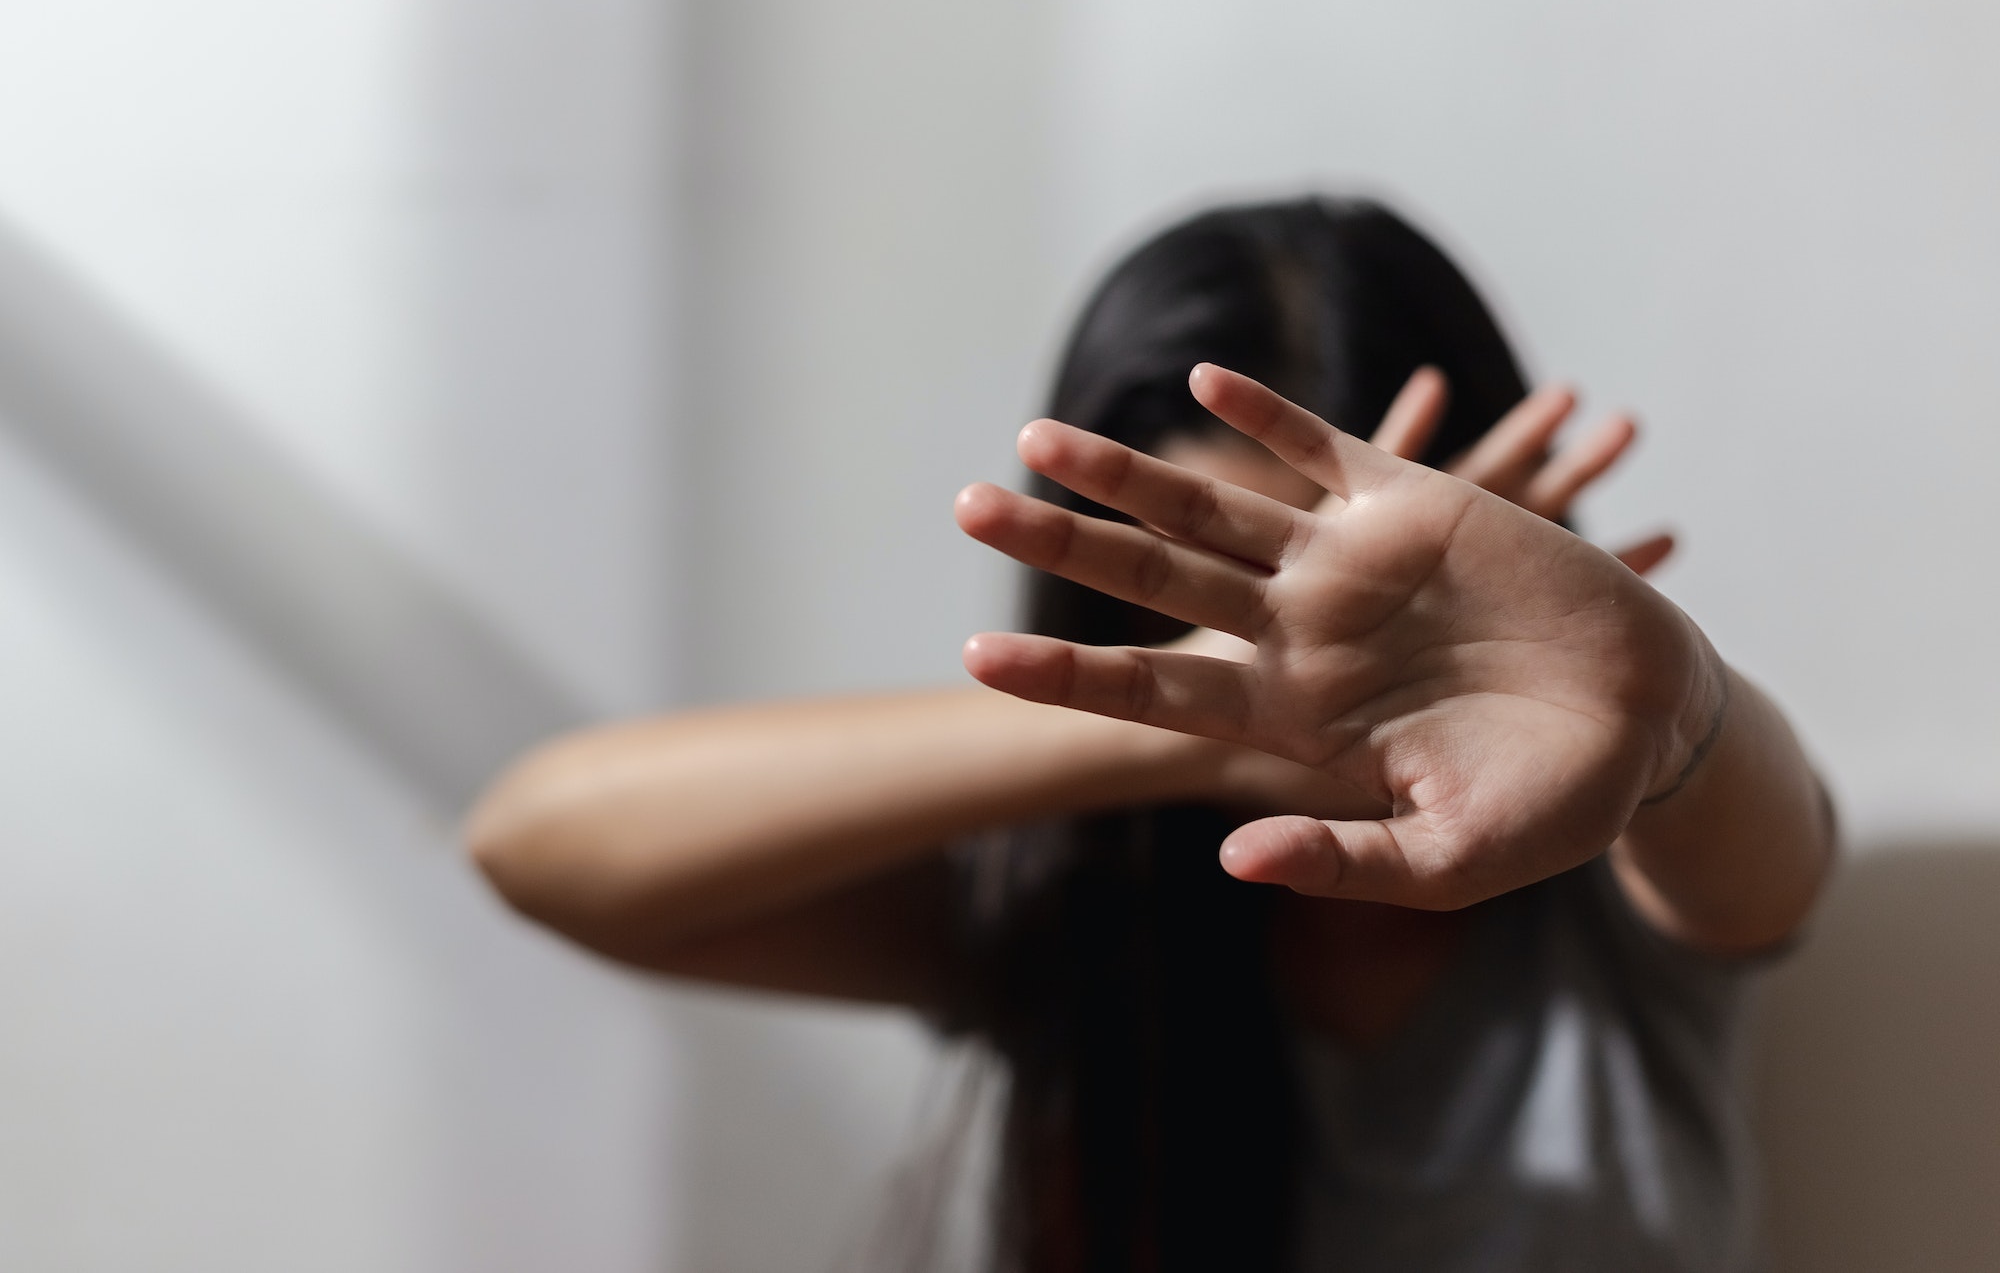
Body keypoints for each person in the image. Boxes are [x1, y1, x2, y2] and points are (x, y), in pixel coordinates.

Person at [465, 197, 1833, 1272]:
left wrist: (1669, 706)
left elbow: (1766, 842)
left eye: (1396, 606)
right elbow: (539, 842)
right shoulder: (1073, 907)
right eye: (1234, 600)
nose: (1318, 667)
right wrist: (1177, 726)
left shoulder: (1609, 894)